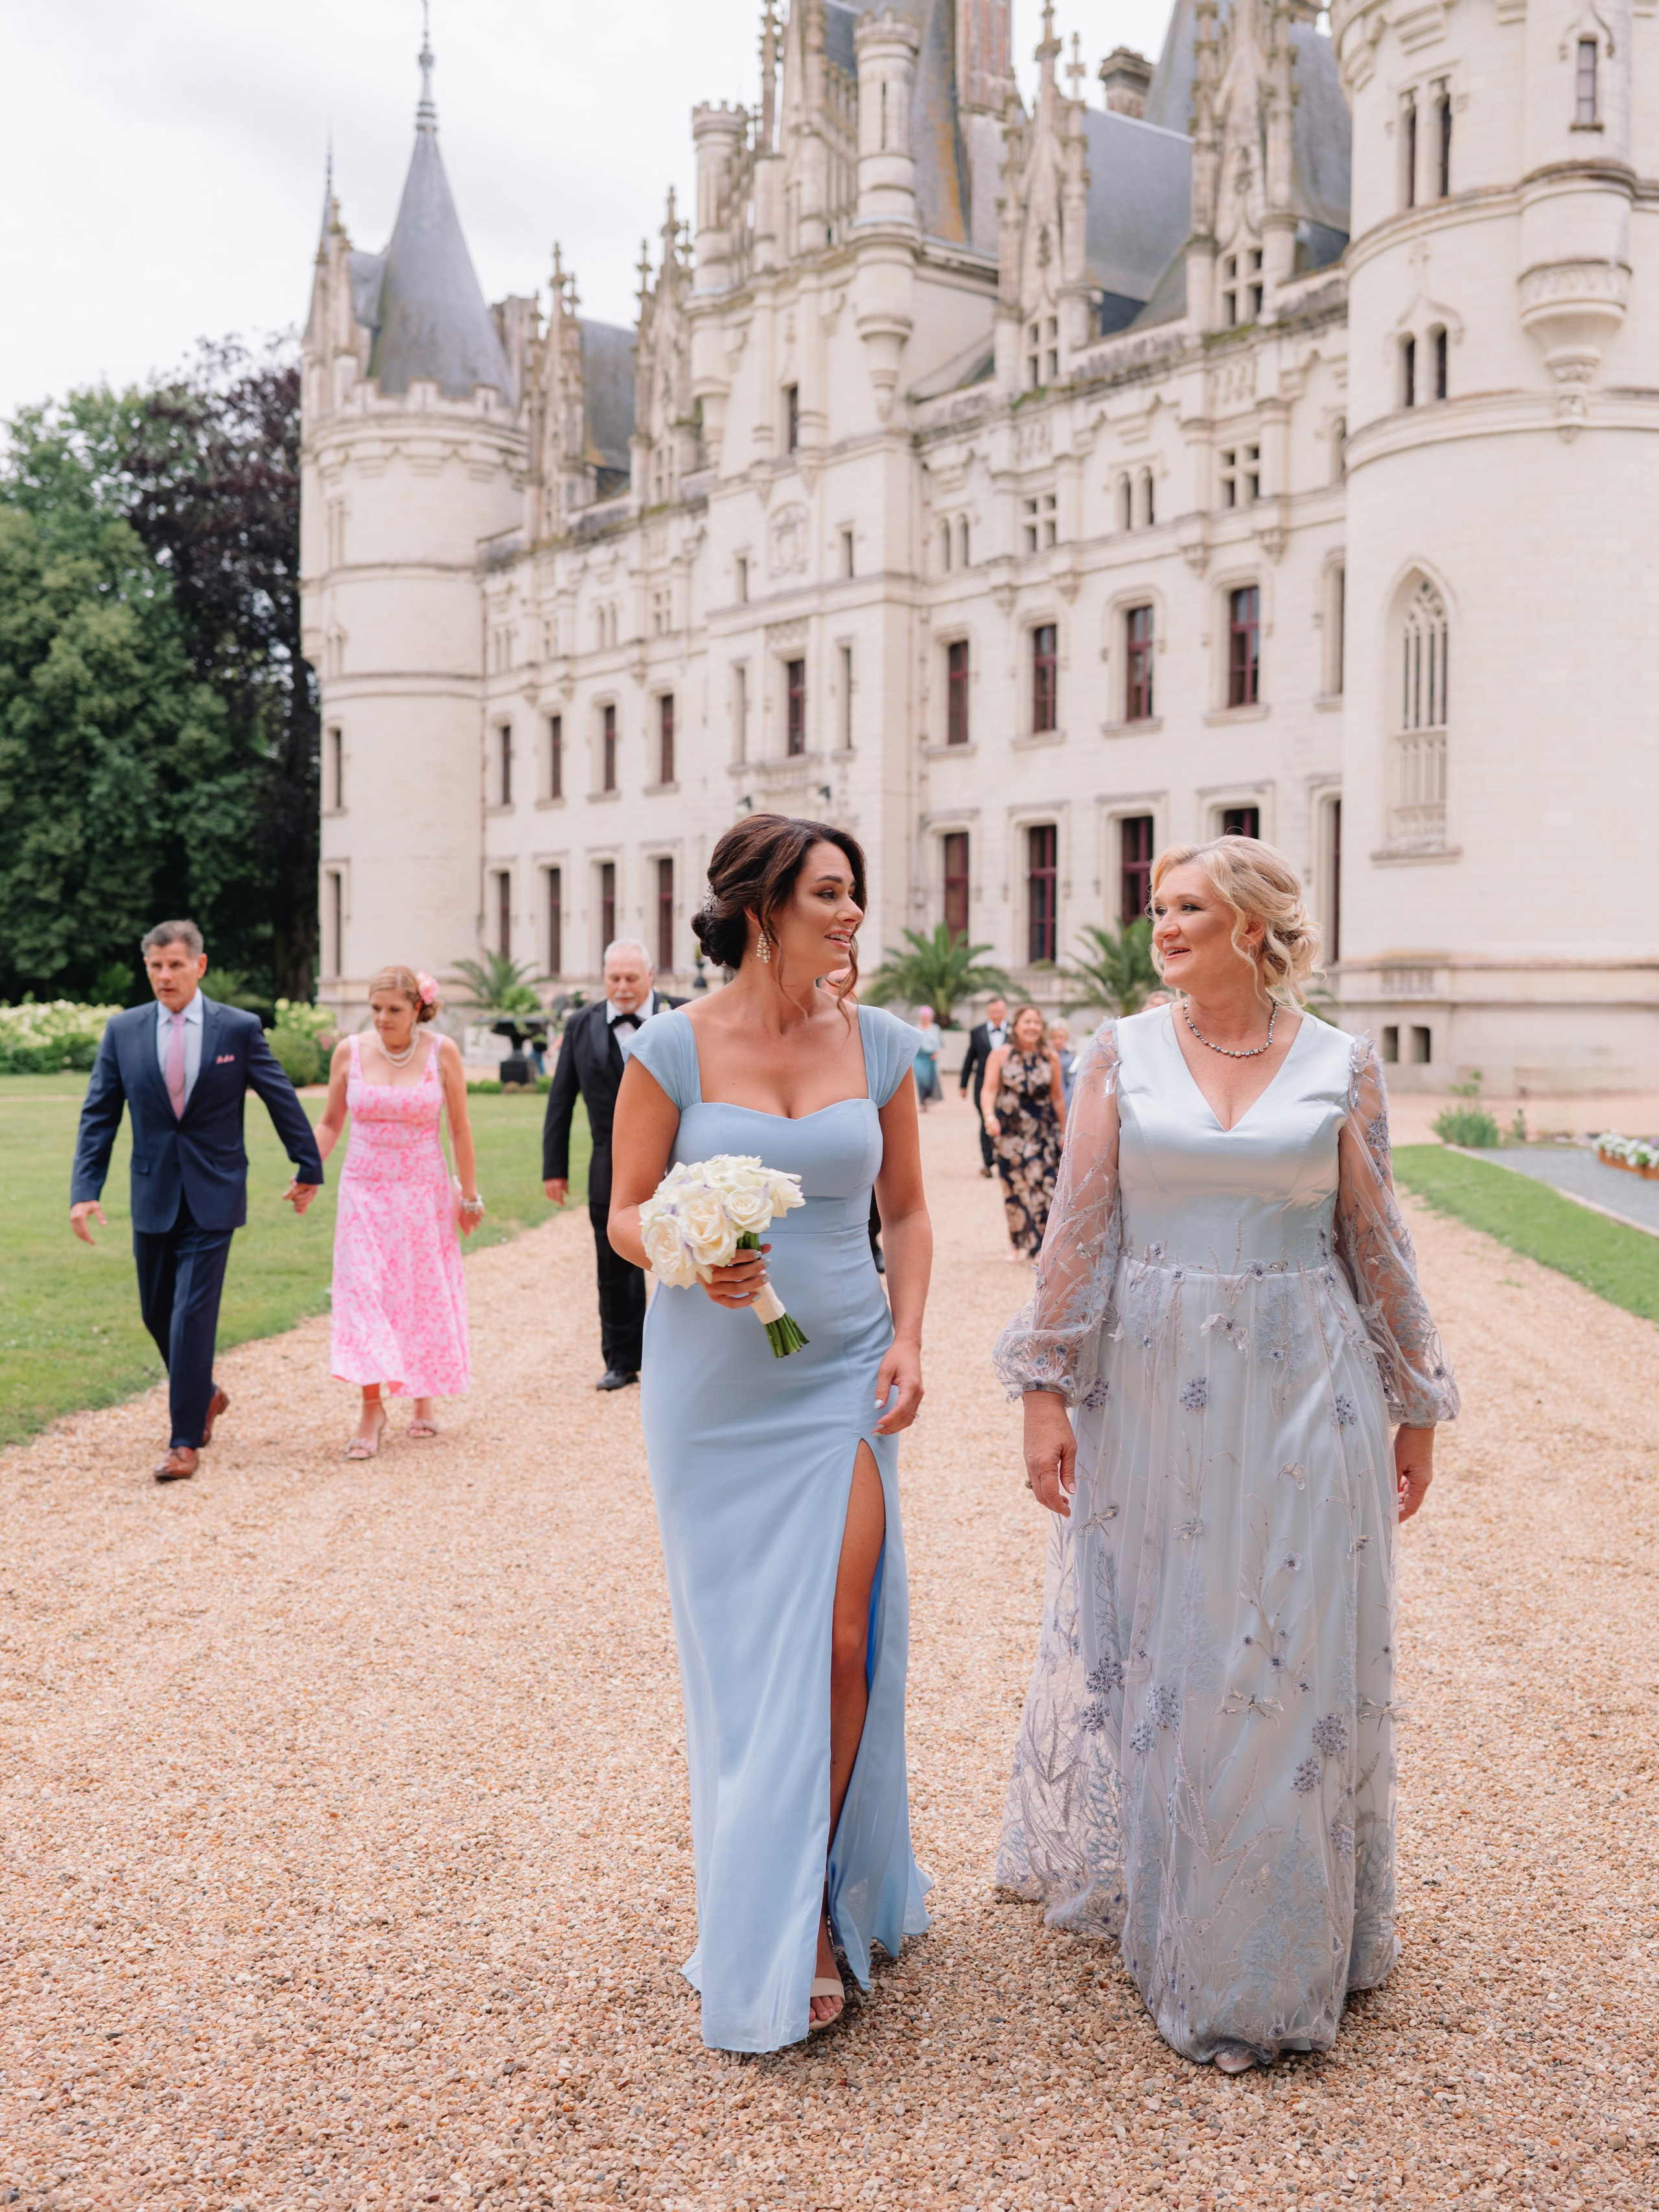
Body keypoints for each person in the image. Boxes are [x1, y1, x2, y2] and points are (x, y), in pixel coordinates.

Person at [993, 835, 1459, 2073]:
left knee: (1283, 1660)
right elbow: (1078, 1229)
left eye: (1188, 906)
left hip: (1308, 1385)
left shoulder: (1341, 1063)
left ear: (1253, 926)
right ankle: (1186, 1916)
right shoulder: (1119, 1051)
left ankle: (1274, 1949)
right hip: (1154, 1392)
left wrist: (1416, 1400)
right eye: (1158, 907)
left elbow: (1377, 1239)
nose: (1163, 925)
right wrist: (1045, 1391)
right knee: (1181, 1650)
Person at [609, 813, 933, 2048]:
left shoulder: (884, 1043)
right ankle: (766, 1891)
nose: (851, 914)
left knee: (845, 1637)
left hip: (844, 1367)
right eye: (829, 893)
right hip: (715, 1390)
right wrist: (686, 1250)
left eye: (854, 893)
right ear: (763, 908)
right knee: (749, 1656)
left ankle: (813, 1907)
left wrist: (910, 1338)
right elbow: (624, 1213)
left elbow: (909, 1212)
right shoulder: (671, 1049)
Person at [69, 919, 324, 1482]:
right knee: (156, 1311)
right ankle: (204, 1393)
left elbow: (279, 1095)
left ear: (199, 966)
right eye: (156, 966)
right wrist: (85, 1191)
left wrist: (308, 1163)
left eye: (176, 965)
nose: (165, 975)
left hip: (215, 1189)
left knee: (190, 1313)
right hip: (153, 1190)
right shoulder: (123, 1030)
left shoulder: (238, 1028)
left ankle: (183, 1441)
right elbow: (99, 1115)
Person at [311, 967, 480, 1456]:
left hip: (424, 1191)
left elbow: (460, 1128)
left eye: (394, 1009)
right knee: (364, 1293)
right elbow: (330, 1122)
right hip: (363, 1191)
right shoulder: (349, 1051)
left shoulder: (442, 1052)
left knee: (420, 1291)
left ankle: (423, 1396)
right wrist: (306, 1173)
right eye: (376, 1008)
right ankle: (372, 1407)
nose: (382, 1018)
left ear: (417, 1009)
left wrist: (469, 1196)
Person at [542, 940, 683, 1390]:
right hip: (610, 1161)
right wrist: (554, 1167)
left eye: (631, 978)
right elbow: (561, 1099)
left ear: (651, 976)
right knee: (613, 1263)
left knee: (690, 1253)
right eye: (614, 978)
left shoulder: (684, 1015)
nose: (622, 987)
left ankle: (686, 1357)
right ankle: (621, 1360)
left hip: (680, 1161)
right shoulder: (580, 1024)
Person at [982, 1004, 1067, 1261]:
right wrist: (989, 1117)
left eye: (1037, 1022)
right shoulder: (1000, 1055)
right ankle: (1017, 1243)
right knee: (1015, 1187)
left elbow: (1057, 1097)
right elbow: (989, 1090)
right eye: (1027, 1022)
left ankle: (1042, 1245)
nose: (1032, 1027)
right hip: (1010, 1133)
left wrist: (1065, 1131)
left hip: (1043, 1131)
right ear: (1016, 1027)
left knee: (1044, 1185)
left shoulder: (1050, 1057)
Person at [958, 995, 1008, 1175]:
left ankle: (1004, 1159)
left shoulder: (1015, 1031)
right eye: (993, 1012)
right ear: (988, 1012)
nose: (996, 1015)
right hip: (982, 1084)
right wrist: (963, 1084)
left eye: (999, 1011)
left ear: (1005, 1012)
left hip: (1007, 1085)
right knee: (986, 1119)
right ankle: (988, 1162)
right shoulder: (977, 1032)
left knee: (1006, 1119)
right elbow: (969, 1058)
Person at [912, 1004, 943, 1109]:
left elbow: (940, 1044)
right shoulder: (915, 1028)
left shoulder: (935, 1028)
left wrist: (936, 1053)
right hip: (919, 1058)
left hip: (931, 1058)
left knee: (930, 1080)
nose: (925, 1019)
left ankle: (927, 1099)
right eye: (923, 1016)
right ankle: (922, 1101)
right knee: (921, 1079)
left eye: (927, 1017)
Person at [1050, 1019, 1078, 1112]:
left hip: (1065, 1106)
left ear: (1066, 1037)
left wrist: (1062, 1107)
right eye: (1054, 1037)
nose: (1057, 1041)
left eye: (1060, 1037)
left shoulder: (1072, 1059)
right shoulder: (1045, 1057)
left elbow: (1072, 1087)